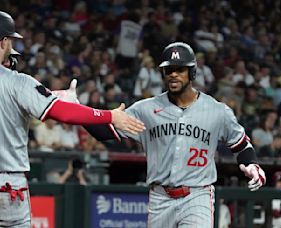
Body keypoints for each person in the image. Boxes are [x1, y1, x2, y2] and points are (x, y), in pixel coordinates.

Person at [0, 10, 145, 228]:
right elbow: (62, 113)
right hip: (3, 186)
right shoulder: (18, 81)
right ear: (4, 42)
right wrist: (110, 115)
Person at [81, 42, 266, 227]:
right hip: (160, 198)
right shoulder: (146, 110)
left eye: (180, 69)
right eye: (169, 70)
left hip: (197, 195)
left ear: (192, 72)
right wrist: (76, 109)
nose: (174, 74)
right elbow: (104, 132)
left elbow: (241, 145)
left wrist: (251, 164)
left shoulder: (217, 111)